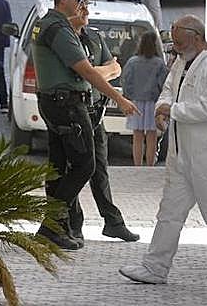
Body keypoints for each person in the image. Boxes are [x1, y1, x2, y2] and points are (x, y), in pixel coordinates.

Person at [119, 15, 207, 289]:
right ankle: (155, 267)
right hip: (180, 152)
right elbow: (168, 89)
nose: (174, 46)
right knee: (169, 211)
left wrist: (172, 110)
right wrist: (161, 108)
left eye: (179, 41)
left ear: (195, 37)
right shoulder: (182, 62)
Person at [32, 0, 139, 250]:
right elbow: (87, 71)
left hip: (61, 102)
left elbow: (100, 69)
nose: (84, 7)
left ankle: (59, 227)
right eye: (81, 1)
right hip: (67, 105)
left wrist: (103, 75)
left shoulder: (57, 26)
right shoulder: (58, 27)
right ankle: (51, 225)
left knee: (61, 166)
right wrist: (120, 98)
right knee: (84, 165)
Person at [67, 20, 140, 245]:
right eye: (82, 5)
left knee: (100, 168)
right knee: (77, 168)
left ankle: (113, 222)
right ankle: (72, 223)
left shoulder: (94, 37)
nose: (86, 11)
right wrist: (95, 73)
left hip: (96, 113)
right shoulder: (65, 39)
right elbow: (79, 75)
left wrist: (96, 72)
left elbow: (115, 67)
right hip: (74, 114)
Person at [122, 31, 168, 166]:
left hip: (136, 102)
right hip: (153, 102)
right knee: (152, 136)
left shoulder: (132, 62)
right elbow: (163, 83)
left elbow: (126, 81)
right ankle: (150, 165)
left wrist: (128, 97)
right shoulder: (159, 63)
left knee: (137, 136)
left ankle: (137, 165)